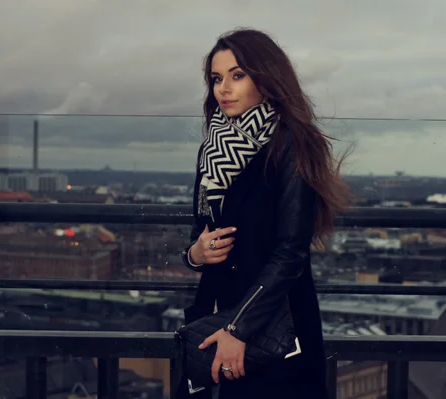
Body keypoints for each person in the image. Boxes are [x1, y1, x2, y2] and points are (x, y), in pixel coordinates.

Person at [179, 28, 350, 399]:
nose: (223, 88)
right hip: (215, 316)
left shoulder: (291, 145)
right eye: (216, 78)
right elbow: (199, 231)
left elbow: (291, 252)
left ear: (266, 77)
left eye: (237, 75)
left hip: (277, 327)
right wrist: (195, 254)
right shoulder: (213, 149)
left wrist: (238, 329)